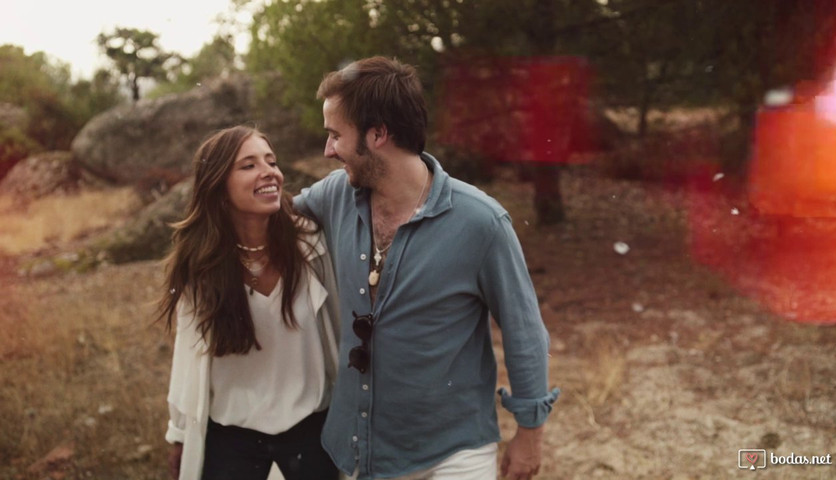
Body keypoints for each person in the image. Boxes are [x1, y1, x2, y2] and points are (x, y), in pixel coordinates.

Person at [294, 56, 560, 480]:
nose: (328, 150)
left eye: (335, 135)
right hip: (361, 449)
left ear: (378, 133)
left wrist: (530, 433)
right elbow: (269, 224)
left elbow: (524, 331)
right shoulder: (334, 196)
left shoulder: (481, 223)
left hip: (455, 453)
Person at [158, 125, 341, 480]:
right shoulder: (201, 266)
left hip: (312, 440)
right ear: (219, 186)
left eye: (271, 161)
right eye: (249, 165)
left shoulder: (311, 246)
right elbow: (187, 356)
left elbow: (338, 329)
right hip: (231, 448)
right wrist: (179, 434)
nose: (270, 171)